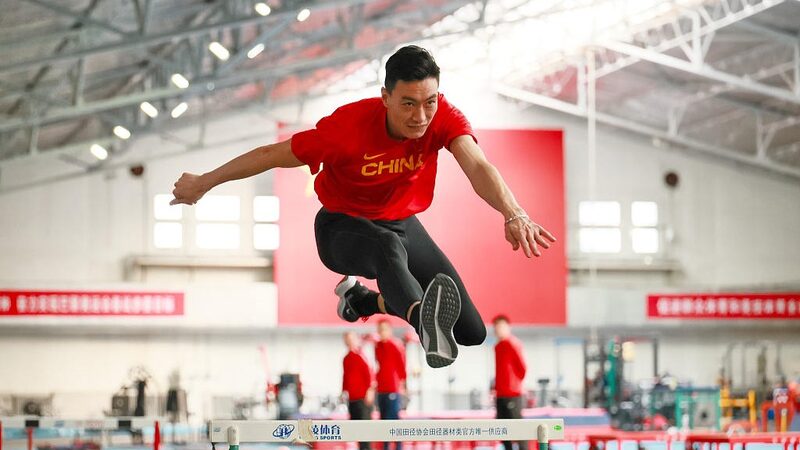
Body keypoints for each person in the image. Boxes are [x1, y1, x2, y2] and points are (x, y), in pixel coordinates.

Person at [170, 45, 556, 368]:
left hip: (403, 223)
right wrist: (204, 182)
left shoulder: (443, 117)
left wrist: (514, 212)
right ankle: (423, 322)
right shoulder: (346, 129)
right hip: (342, 227)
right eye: (407, 104)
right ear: (385, 97)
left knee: (470, 332)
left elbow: (477, 164)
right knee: (387, 251)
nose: (420, 116)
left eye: (429, 102)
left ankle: (364, 300)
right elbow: (272, 154)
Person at [493, 315, 528, 450]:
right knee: (503, 430)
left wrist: (513, 385)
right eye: (496, 327)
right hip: (500, 394)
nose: (498, 329)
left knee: (518, 429)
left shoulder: (513, 343)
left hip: (513, 394)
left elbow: (523, 368)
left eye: (501, 326)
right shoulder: (497, 347)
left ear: (508, 327)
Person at [374, 320, 406, 450]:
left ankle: (398, 447)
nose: (382, 332)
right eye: (380, 329)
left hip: (393, 388)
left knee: (393, 420)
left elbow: (402, 367)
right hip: (381, 389)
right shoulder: (377, 346)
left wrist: (402, 386)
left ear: (390, 330)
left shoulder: (396, 345)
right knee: (383, 421)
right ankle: (385, 447)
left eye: (384, 329)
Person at [342, 331, 374, 450]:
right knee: (356, 430)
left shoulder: (361, 355)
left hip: (363, 399)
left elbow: (370, 374)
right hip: (352, 399)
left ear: (356, 339)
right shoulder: (346, 358)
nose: (349, 341)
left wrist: (370, 392)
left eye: (351, 338)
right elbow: (345, 376)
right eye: (347, 339)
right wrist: (343, 391)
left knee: (364, 430)